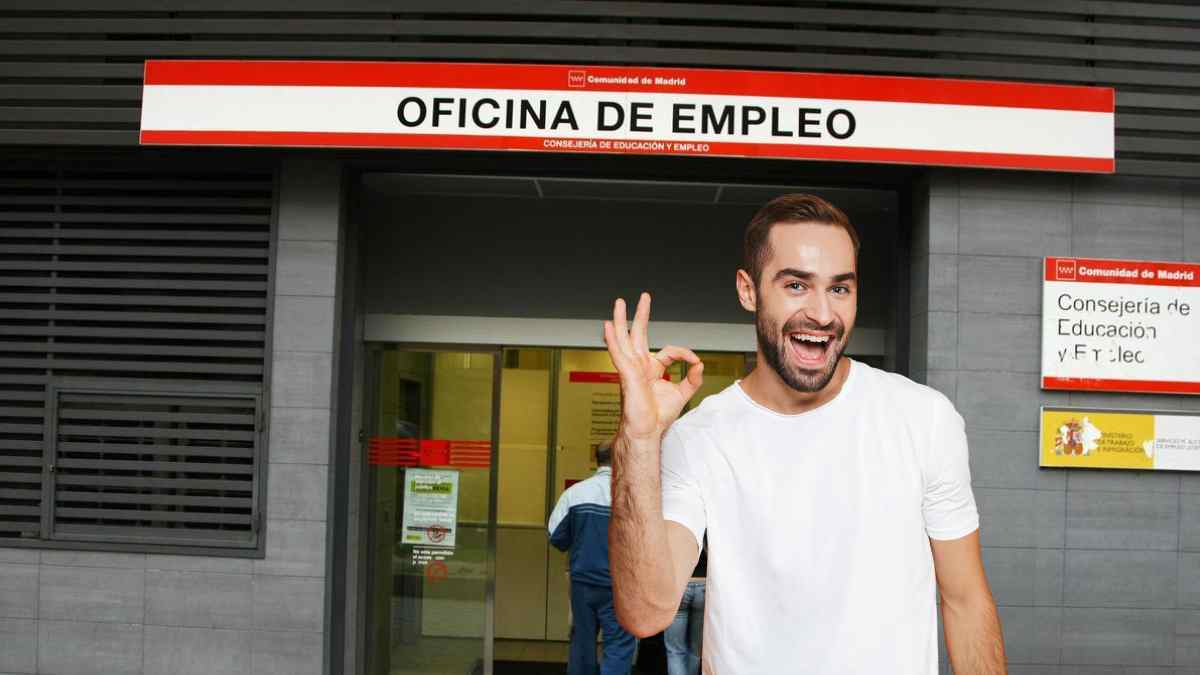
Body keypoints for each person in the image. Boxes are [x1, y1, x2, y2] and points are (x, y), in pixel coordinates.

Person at [602, 194, 1006, 674]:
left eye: (840, 289)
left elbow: (965, 602)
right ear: (748, 291)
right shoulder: (700, 438)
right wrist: (640, 439)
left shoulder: (923, 418)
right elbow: (645, 612)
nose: (822, 314)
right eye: (797, 285)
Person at [548, 440, 638, 675]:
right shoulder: (632, 497)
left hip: (582, 583)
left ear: (596, 460)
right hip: (619, 586)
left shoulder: (574, 493)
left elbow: (556, 535)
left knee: (582, 644)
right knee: (618, 645)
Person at [663, 535, 705, 675]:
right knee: (695, 650)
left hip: (679, 584)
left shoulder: (677, 516)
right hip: (704, 584)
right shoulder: (713, 520)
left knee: (675, 651)